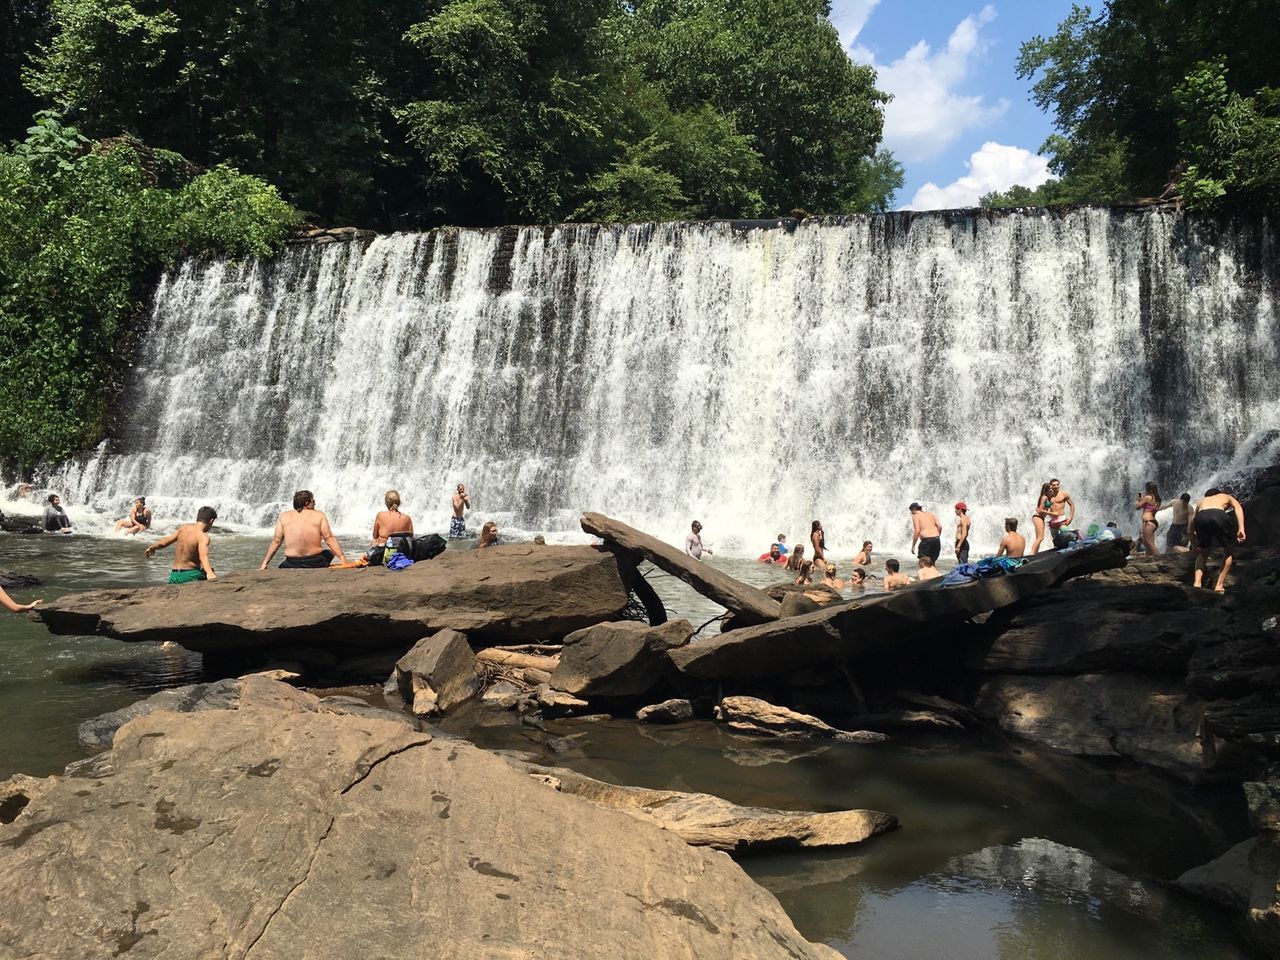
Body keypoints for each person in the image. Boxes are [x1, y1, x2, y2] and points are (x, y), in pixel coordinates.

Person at [260, 491, 348, 569]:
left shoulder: (284, 516)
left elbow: (276, 541)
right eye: (313, 501)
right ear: (307, 503)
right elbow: (328, 538)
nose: (315, 503)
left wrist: (265, 563)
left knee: (282, 565)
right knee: (329, 553)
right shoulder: (319, 515)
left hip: (291, 563)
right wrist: (342, 559)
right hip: (315, 562)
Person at [1192, 488, 1246, 593]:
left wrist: (1194, 543)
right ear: (1219, 493)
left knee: (1203, 553)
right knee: (1228, 551)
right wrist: (1241, 528)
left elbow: (1193, 522)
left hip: (1200, 517)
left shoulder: (1201, 502)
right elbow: (1238, 508)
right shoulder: (1225, 496)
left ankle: (1197, 584)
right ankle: (1219, 585)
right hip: (1219, 516)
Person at [145, 506, 218, 583]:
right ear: (211, 521)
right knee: (210, 572)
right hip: (190, 576)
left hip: (174, 576)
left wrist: (152, 547)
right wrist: (210, 573)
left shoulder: (183, 528)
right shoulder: (202, 536)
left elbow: (164, 542)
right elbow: (203, 556)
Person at [367, 490, 414, 564]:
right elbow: (411, 538)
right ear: (399, 503)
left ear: (386, 503)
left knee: (373, 542)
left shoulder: (380, 515)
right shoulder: (407, 518)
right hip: (402, 552)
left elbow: (374, 536)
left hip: (384, 554)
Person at [1134, 481, 1161, 557]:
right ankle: (1149, 558)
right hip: (1152, 522)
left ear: (1149, 490)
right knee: (1146, 543)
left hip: (1148, 523)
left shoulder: (1147, 497)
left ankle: (1159, 559)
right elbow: (1148, 508)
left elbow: (1137, 507)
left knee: (1150, 544)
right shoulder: (1157, 498)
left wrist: (1137, 500)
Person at [1030, 482, 1052, 554]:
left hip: (1040, 518)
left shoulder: (1046, 497)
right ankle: (1032, 553)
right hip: (1038, 517)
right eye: (1050, 489)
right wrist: (1051, 513)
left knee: (1038, 538)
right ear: (1046, 490)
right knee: (1041, 537)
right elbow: (1040, 510)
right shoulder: (1044, 497)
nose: (1051, 490)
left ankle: (1035, 553)